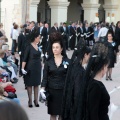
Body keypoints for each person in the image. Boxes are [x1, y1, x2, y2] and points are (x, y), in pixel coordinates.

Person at [73, 42, 110, 120]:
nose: (106, 69)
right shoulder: (96, 86)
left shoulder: (93, 82)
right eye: (107, 67)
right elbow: (93, 113)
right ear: (103, 67)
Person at [40, 32, 70, 120]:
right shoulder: (48, 62)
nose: (55, 49)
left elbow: (69, 77)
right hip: (52, 91)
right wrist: (42, 89)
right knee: (53, 114)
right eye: (53, 47)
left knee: (61, 114)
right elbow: (45, 77)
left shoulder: (67, 61)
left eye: (57, 47)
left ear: (61, 49)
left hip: (63, 91)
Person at [62, 39, 91, 120]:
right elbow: (77, 93)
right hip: (75, 109)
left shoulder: (75, 66)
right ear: (85, 55)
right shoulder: (79, 71)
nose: (90, 58)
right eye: (89, 55)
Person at [22, 27, 42, 107]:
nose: (39, 39)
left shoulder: (38, 46)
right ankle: (30, 100)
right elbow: (25, 58)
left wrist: (41, 63)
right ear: (35, 38)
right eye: (38, 38)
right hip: (30, 67)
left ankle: (36, 100)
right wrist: (22, 68)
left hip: (37, 67)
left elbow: (39, 57)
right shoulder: (29, 46)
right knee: (30, 84)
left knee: (36, 84)